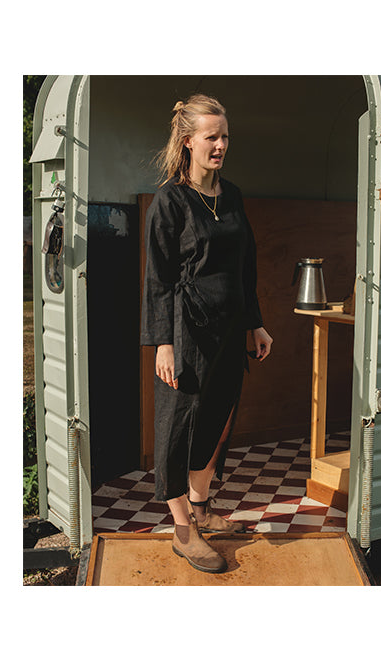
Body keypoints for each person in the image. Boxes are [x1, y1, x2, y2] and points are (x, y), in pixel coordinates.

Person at [140, 94, 273, 573]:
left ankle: (202, 509)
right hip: (186, 331)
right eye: (211, 137)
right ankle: (182, 530)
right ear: (188, 141)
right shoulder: (169, 202)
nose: (220, 145)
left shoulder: (232, 195)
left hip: (229, 329)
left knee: (215, 423)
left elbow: (246, 264)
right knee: (178, 427)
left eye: (225, 137)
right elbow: (158, 279)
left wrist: (254, 321)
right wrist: (163, 343)